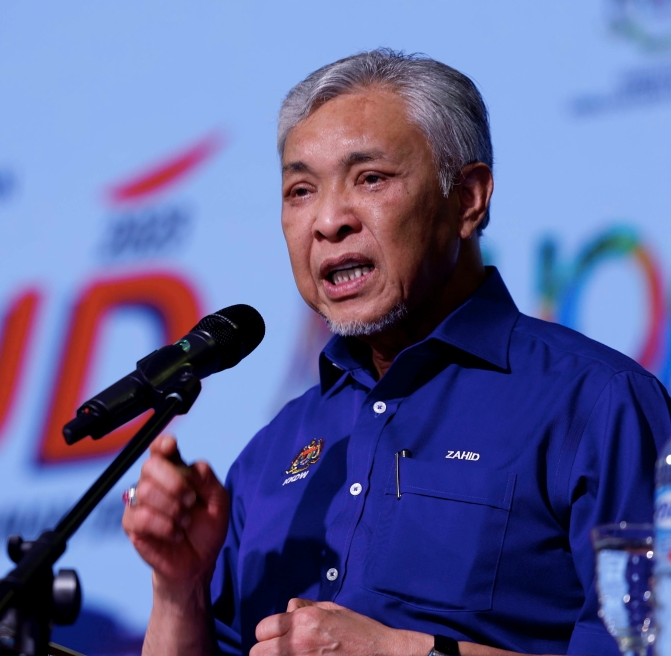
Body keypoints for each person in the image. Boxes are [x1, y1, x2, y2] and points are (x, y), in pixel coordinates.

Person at [121, 49, 671, 656]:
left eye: (371, 179)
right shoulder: (271, 454)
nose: (328, 221)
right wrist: (179, 589)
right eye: (300, 190)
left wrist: (406, 653)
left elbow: (647, 648)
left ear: (468, 199)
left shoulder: (596, 405)